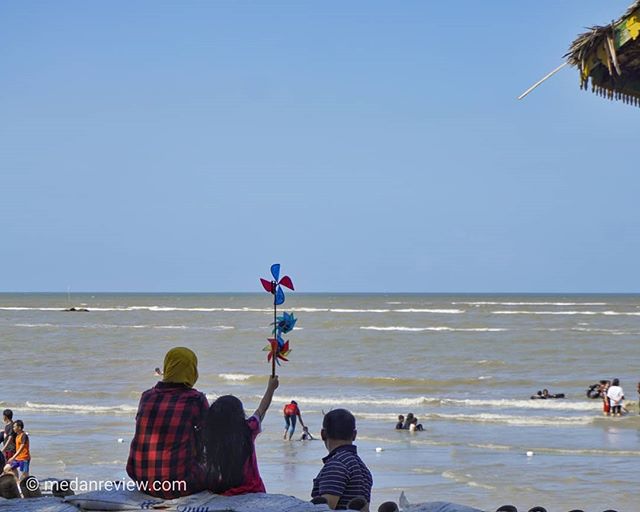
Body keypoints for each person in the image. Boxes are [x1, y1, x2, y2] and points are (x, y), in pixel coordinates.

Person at [127, 347, 209, 498]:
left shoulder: (146, 396)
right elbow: (209, 436)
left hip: (142, 480)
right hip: (179, 485)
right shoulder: (195, 400)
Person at [203, 375, 278, 495]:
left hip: (222, 490)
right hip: (253, 489)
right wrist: (271, 388)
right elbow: (262, 409)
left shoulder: (210, 435)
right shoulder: (248, 429)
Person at [311, 409, 373, 511]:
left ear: (323, 434)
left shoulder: (337, 465)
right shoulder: (363, 469)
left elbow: (325, 509)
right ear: (354, 435)